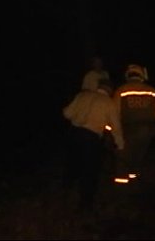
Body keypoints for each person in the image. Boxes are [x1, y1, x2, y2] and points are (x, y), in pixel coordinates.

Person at [62, 80, 124, 211]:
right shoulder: (109, 103)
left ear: (98, 87)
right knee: (90, 170)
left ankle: (65, 190)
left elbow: (67, 113)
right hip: (91, 138)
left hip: (73, 134)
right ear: (110, 91)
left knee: (72, 163)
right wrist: (120, 145)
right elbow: (116, 127)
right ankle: (85, 203)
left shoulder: (82, 96)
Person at [112, 64, 155, 184]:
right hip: (146, 131)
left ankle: (121, 186)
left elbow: (114, 112)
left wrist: (110, 131)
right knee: (138, 155)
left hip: (127, 130)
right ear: (142, 75)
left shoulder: (121, 90)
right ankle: (134, 180)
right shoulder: (151, 91)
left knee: (123, 157)